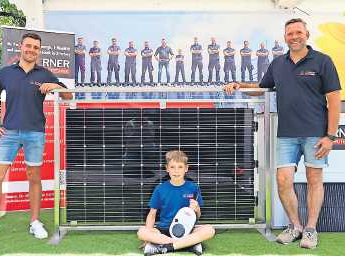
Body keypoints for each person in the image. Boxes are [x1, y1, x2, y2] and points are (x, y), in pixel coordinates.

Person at [224, 18, 342, 249]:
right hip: (286, 133)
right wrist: (239, 85)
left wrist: (330, 136)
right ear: (285, 37)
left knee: (314, 179)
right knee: (283, 180)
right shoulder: (278, 64)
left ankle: (310, 229)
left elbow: (335, 99)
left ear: (307, 34)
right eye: (290, 33)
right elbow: (262, 88)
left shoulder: (322, 61)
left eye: (298, 32)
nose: (294, 36)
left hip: (316, 134)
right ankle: (295, 226)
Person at [0, 33, 73, 245]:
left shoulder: (45, 73)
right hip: (9, 132)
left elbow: (68, 96)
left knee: (34, 176)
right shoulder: (6, 73)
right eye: (29, 46)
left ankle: (35, 222)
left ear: (39, 51)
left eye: (36, 47)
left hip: (35, 133)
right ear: (21, 47)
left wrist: (56, 86)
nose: (32, 50)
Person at [137, 150, 215, 255]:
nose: (176, 171)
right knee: (142, 232)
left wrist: (197, 209)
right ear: (167, 168)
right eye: (172, 167)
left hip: (187, 229)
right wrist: (147, 238)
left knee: (210, 230)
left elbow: (198, 215)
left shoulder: (193, 188)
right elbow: (152, 214)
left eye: (180, 167)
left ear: (186, 169)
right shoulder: (160, 189)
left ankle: (166, 247)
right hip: (164, 229)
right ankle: (189, 244)